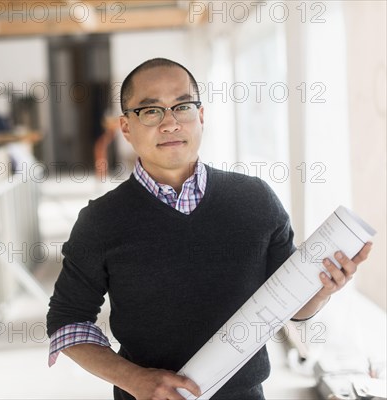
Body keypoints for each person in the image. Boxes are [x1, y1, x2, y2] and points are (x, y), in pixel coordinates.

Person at [46, 58, 372, 400]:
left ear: (200, 117)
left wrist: (321, 290)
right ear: (126, 127)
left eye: (182, 106)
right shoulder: (101, 221)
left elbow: (291, 306)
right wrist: (135, 380)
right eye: (151, 111)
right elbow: (68, 322)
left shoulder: (256, 200)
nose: (170, 123)